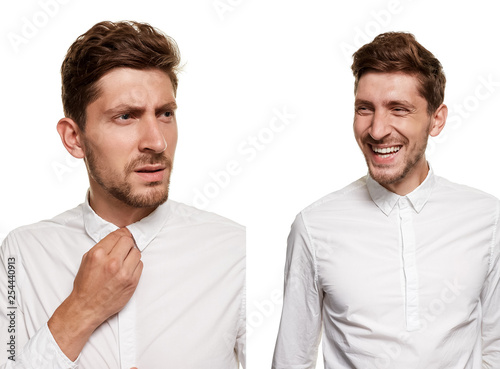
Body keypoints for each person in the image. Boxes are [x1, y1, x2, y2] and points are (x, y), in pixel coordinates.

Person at [0, 21, 245, 369]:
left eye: (165, 114)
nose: (157, 142)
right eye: (126, 116)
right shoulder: (20, 256)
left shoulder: (236, 251)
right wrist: (81, 309)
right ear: (74, 138)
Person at [272, 32, 500, 369]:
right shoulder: (315, 226)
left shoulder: (487, 219)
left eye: (399, 109)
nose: (377, 130)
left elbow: (495, 350)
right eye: (365, 109)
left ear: (436, 119)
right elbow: (292, 359)